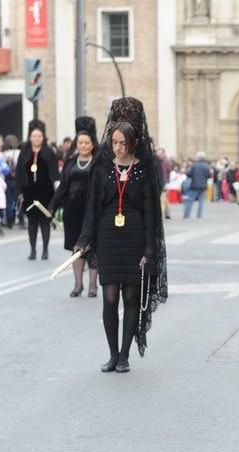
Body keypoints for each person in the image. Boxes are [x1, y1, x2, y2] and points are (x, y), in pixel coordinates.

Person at [75, 97, 168, 373]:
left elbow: (152, 213)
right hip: (108, 238)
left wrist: (148, 250)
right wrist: (84, 239)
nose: (118, 148)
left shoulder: (145, 170)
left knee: (130, 299)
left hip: (135, 237)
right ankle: (112, 353)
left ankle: (125, 354)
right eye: (114, 143)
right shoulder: (102, 169)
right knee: (110, 298)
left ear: (133, 142)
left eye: (123, 143)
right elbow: (92, 207)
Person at [49, 116, 99, 297]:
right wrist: (52, 206)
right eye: (80, 142)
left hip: (92, 212)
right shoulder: (71, 162)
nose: (83, 145)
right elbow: (63, 187)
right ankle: (78, 284)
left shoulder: (99, 163)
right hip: (72, 212)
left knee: (92, 249)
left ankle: (93, 285)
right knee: (76, 249)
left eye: (87, 143)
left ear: (93, 144)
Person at [17, 120, 58, 260]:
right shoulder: (24, 152)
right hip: (29, 192)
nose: (37, 139)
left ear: (43, 137)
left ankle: (45, 250)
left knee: (44, 222)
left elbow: (54, 173)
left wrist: (56, 193)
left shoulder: (49, 152)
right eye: (34, 136)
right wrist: (20, 191)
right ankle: (33, 250)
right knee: (32, 222)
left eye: (39, 136)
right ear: (30, 137)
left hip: (45, 192)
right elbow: (19, 172)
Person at [184, 151, 209, 219]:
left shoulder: (194, 165)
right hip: (203, 185)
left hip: (194, 185)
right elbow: (209, 175)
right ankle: (199, 215)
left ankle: (187, 215)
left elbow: (189, 174)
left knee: (190, 200)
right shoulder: (206, 166)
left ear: (197, 157)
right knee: (201, 201)